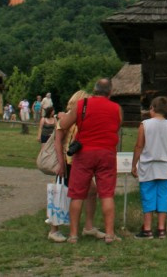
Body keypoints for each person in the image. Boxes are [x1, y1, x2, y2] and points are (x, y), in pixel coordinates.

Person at [58, 78, 123, 244]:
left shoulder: (82, 105)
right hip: (107, 153)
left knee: (77, 194)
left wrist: (64, 116)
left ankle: (73, 235)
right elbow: (116, 126)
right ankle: (109, 234)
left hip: (84, 153)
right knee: (107, 194)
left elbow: (64, 124)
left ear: (94, 90)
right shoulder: (117, 108)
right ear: (110, 92)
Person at [49, 90, 103, 243]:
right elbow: (58, 141)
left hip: (78, 162)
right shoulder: (68, 118)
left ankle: (88, 226)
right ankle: (54, 229)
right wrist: (61, 163)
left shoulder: (79, 117)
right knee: (62, 192)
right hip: (68, 163)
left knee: (91, 191)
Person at [131, 96, 167, 239]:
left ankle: (147, 229)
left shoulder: (145, 124)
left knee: (148, 196)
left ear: (152, 108)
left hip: (148, 165)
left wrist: (134, 164)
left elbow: (139, 145)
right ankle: (162, 229)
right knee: (163, 197)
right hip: (165, 166)